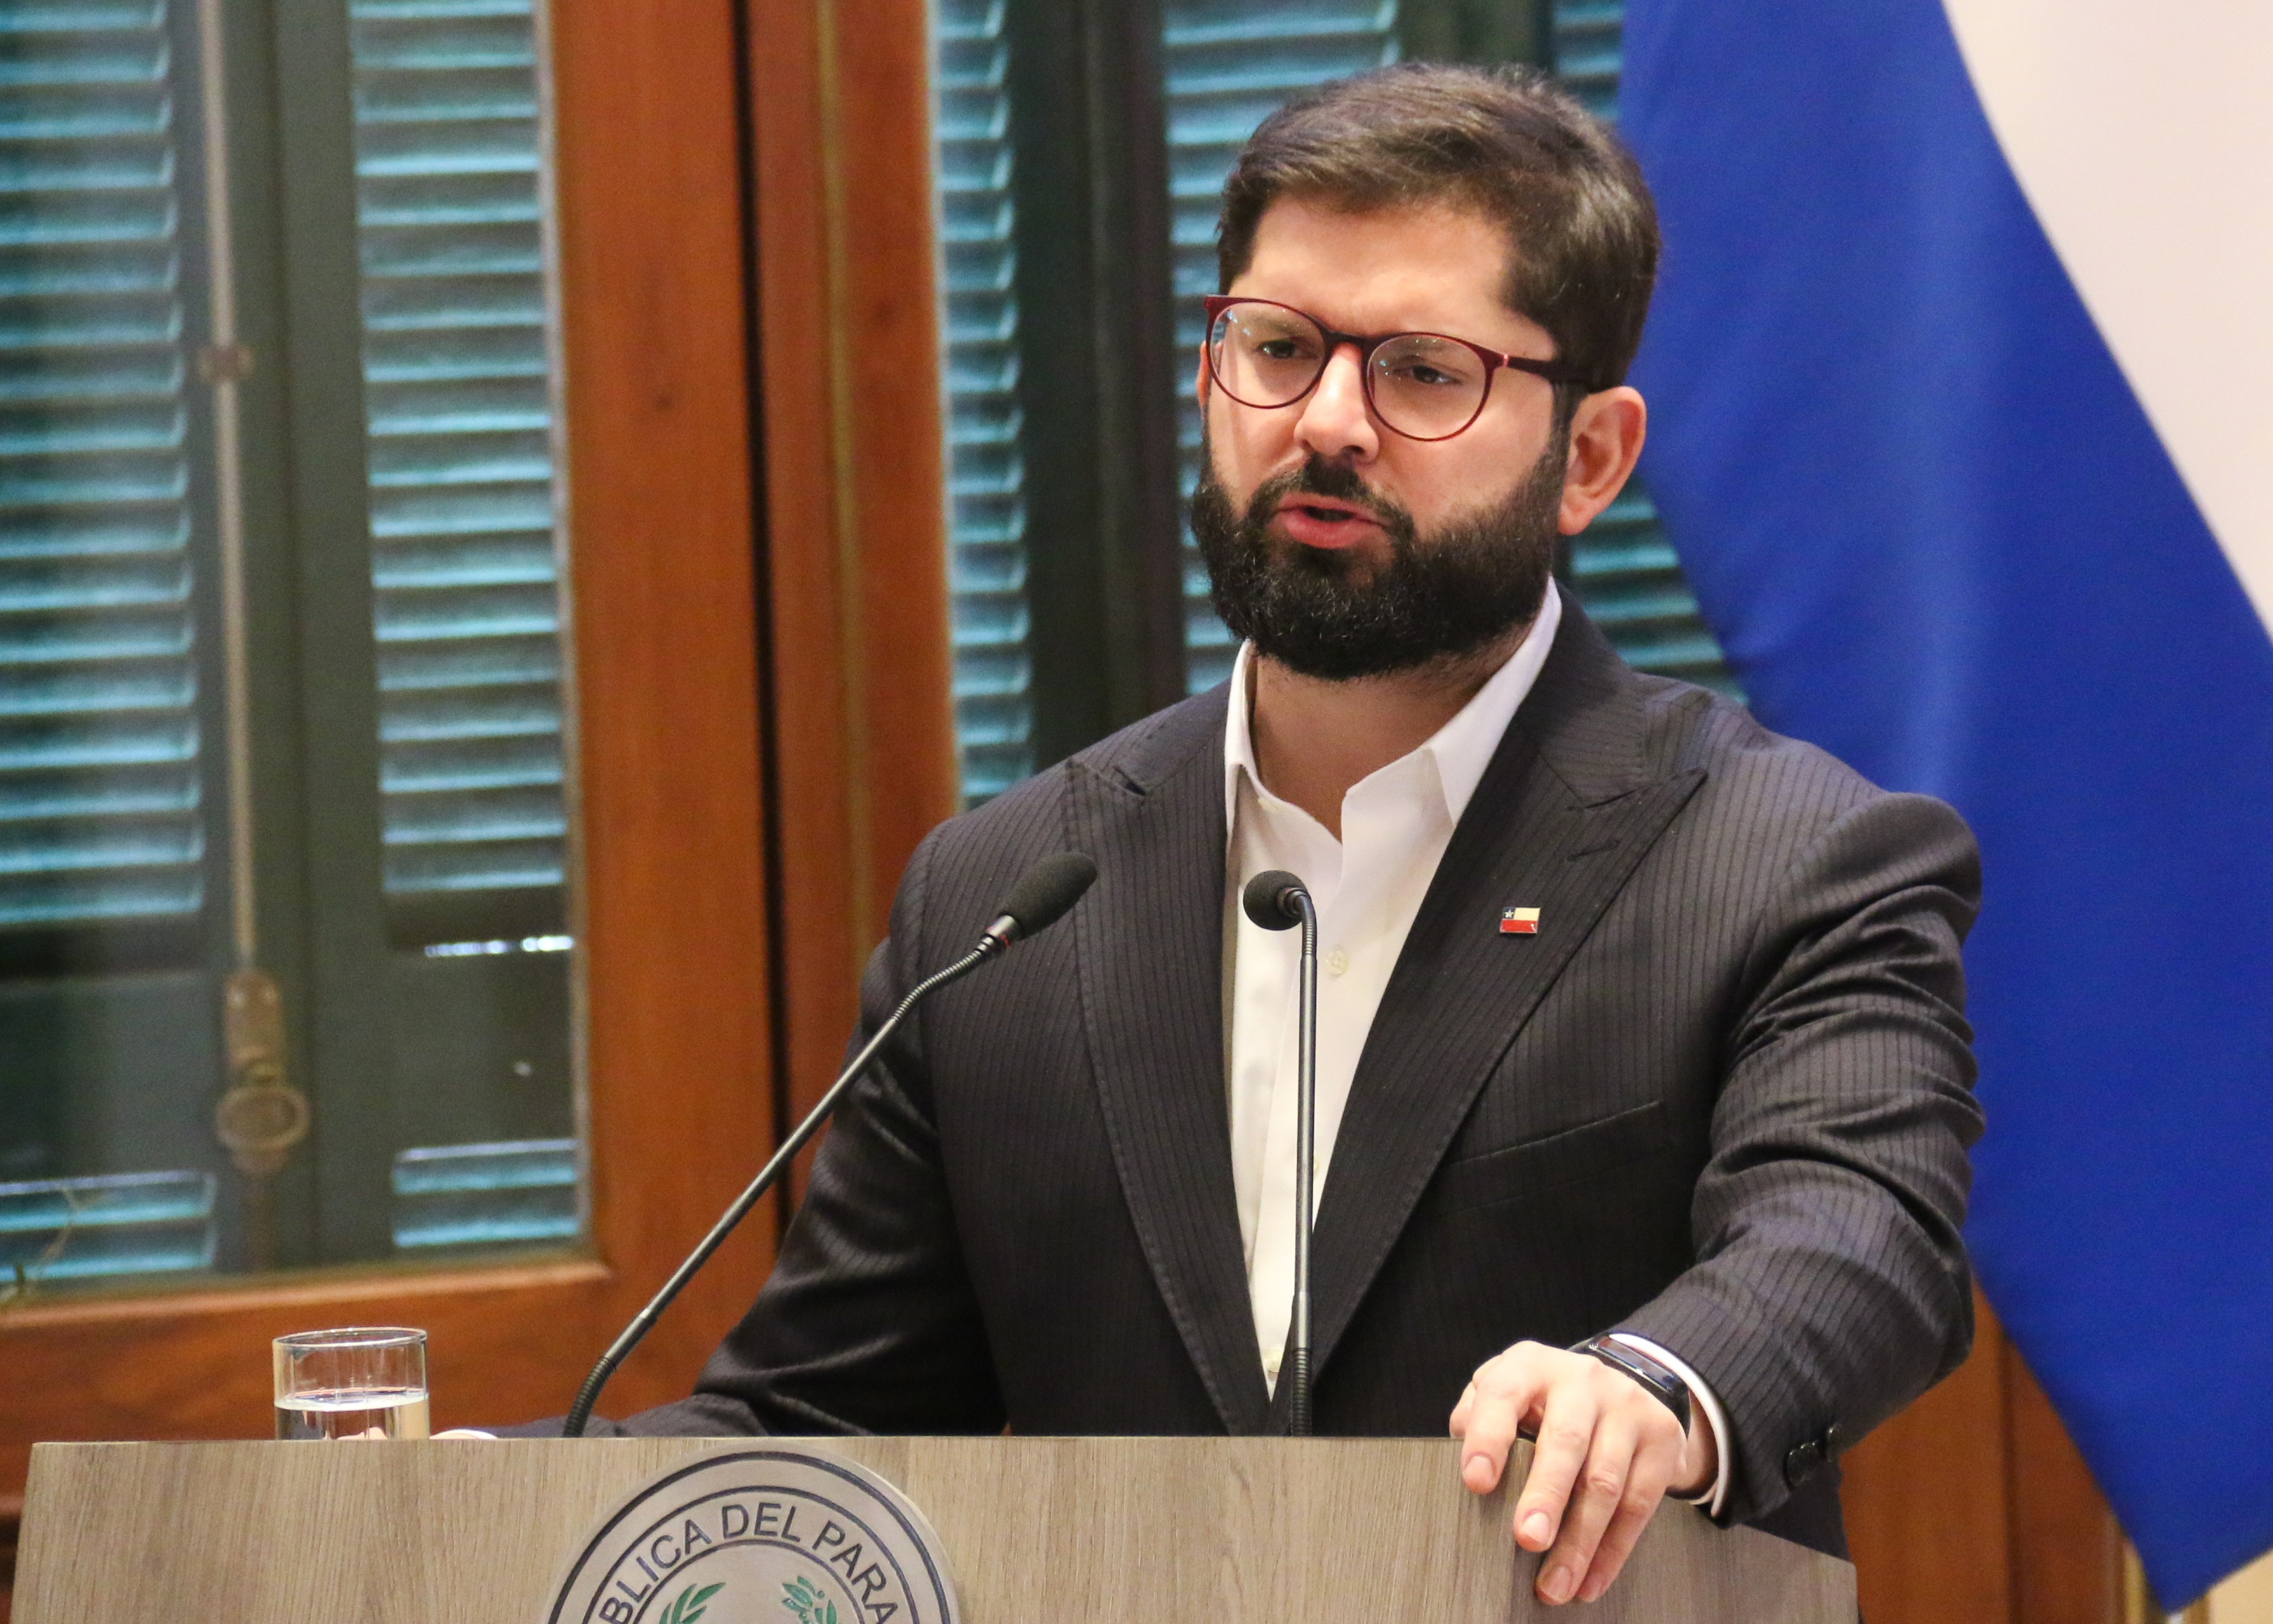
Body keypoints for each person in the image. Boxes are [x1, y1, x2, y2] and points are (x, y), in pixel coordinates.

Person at [504, 63, 1982, 1609]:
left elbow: (1857, 1233)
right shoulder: (1008, 897)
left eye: (1420, 371)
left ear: (1593, 459)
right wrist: (459, 1496)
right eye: (1276, 348)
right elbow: (823, 1423)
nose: (1325, 423)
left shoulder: (1790, 858)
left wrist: (1658, 1385)